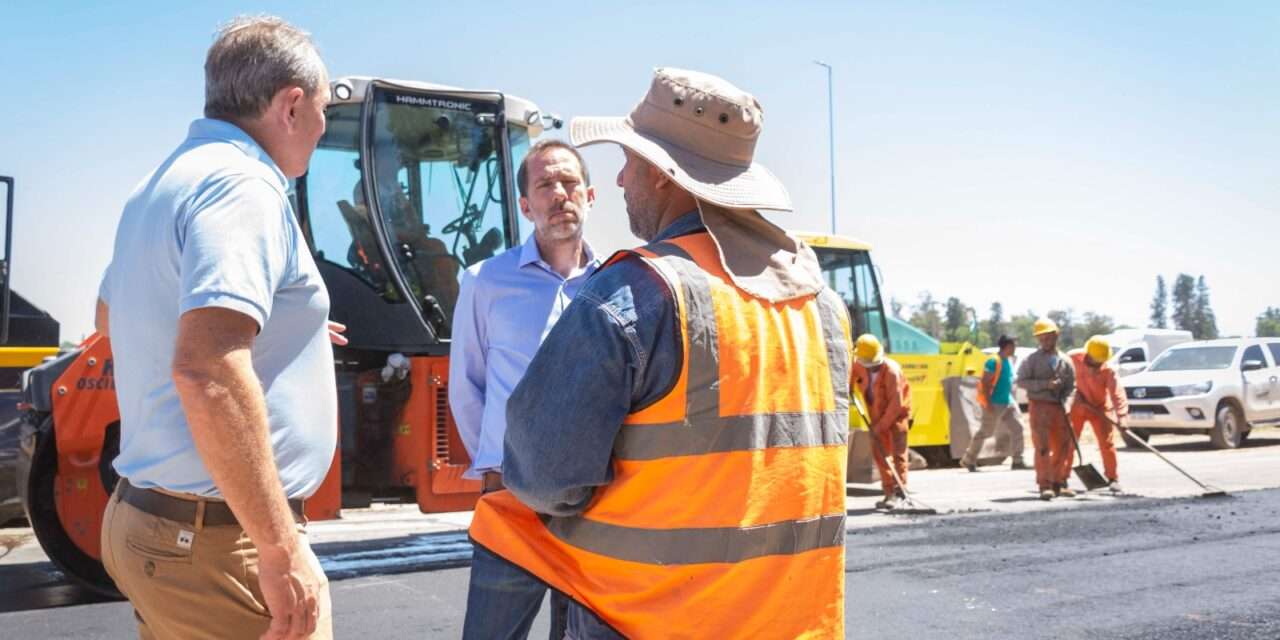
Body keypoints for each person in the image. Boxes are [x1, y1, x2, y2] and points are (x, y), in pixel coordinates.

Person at [467, 68, 851, 639]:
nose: (620, 179)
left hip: (651, 619)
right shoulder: (824, 307)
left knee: (503, 523)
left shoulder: (636, 293)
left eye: (629, 161)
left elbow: (542, 476)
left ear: (663, 175)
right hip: (794, 624)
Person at [95, 16, 341, 639]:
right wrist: (281, 550)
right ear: (291, 105)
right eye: (322, 108)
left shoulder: (158, 185)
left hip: (154, 527)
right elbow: (206, 369)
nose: (322, 127)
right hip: (220, 544)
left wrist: (291, 333)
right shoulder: (245, 188)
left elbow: (110, 317)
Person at [451, 139, 599, 640]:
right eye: (545, 185)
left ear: (591, 195)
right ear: (524, 205)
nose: (560, 194)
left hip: (597, 504)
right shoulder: (484, 282)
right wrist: (499, 464)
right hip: (510, 503)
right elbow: (467, 389)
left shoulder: (616, 284)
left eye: (570, 183)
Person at [850, 334, 913, 510]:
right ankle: (889, 493)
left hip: (897, 415)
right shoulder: (858, 364)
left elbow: (896, 403)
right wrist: (848, 389)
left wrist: (881, 427)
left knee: (898, 454)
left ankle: (900, 491)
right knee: (880, 454)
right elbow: (850, 379)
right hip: (876, 415)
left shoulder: (892, 371)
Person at [1016, 318, 1076, 501]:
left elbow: (1072, 387)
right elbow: (1021, 381)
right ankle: (1045, 485)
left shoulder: (1066, 361)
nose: (1045, 342)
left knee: (1063, 447)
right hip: (1039, 407)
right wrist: (1045, 385)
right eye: (1041, 339)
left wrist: (1068, 404)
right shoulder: (1031, 360)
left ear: (1056, 336)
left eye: (1048, 338)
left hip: (1060, 409)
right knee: (1042, 447)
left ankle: (1058, 483)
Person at [1066, 336, 1129, 493]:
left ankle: (1113, 478)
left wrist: (1122, 416)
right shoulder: (1072, 359)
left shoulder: (1108, 370)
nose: (1099, 364)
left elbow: (1117, 393)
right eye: (1097, 361)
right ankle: (1061, 479)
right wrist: (1073, 392)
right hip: (1077, 407)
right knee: (1069, 443)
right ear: (1088, 355)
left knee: (1107, 444)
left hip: (1100, 409)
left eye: (1102, 361)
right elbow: (1061, 378)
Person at [961, 334, 1028, 472]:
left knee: (1018, 427)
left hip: (1007, 401)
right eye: (1014, 345)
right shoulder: (993, 361)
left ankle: (1017, 460)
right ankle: (969, 459)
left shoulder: (1007, 360)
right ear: (1008, 346)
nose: (1015, 348)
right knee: (986, 432)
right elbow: (984, 383)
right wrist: (988, 404)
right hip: (995, 403)